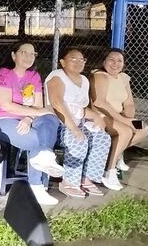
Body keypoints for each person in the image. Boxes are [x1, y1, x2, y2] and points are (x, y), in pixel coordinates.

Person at [0, 42, 64, 206]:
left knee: (50, 119)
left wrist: (29, 118)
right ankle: (37, 184)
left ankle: (43, 158)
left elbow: (38, 106)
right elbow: (6, 105)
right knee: (37, 140)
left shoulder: (33, 76)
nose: (28, 57)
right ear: (14, 55)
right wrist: (34, 113)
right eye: (24, 52)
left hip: (25, 118)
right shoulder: (3, 74)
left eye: (32, 54)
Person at [45, 48, 110, 199]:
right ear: (62, 62)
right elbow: (57, 103)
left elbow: (80, 108)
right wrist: (73, 128)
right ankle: (69, 181)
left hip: (78, 122)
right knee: (79, 139)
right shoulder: (57, 76)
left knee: (102, 137)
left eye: (82, 60)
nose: (78, 62)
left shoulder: (84, 80)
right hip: (58, 124)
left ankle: (86, 178)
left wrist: (96, 116)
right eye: (73, 59)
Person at [91, 49, 148, 190]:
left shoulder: (123, 77)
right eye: (111, 59)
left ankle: (116, 154)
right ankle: (109, 171)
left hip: (120, 116)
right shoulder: (100, 76)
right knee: (126, 131)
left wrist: (129, 119)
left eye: (119, 61)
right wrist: (125, 122)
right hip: (102, 116)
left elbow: (129, 103)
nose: (115, 64)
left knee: (143, 128)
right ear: (104, 61)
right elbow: (100, 103)